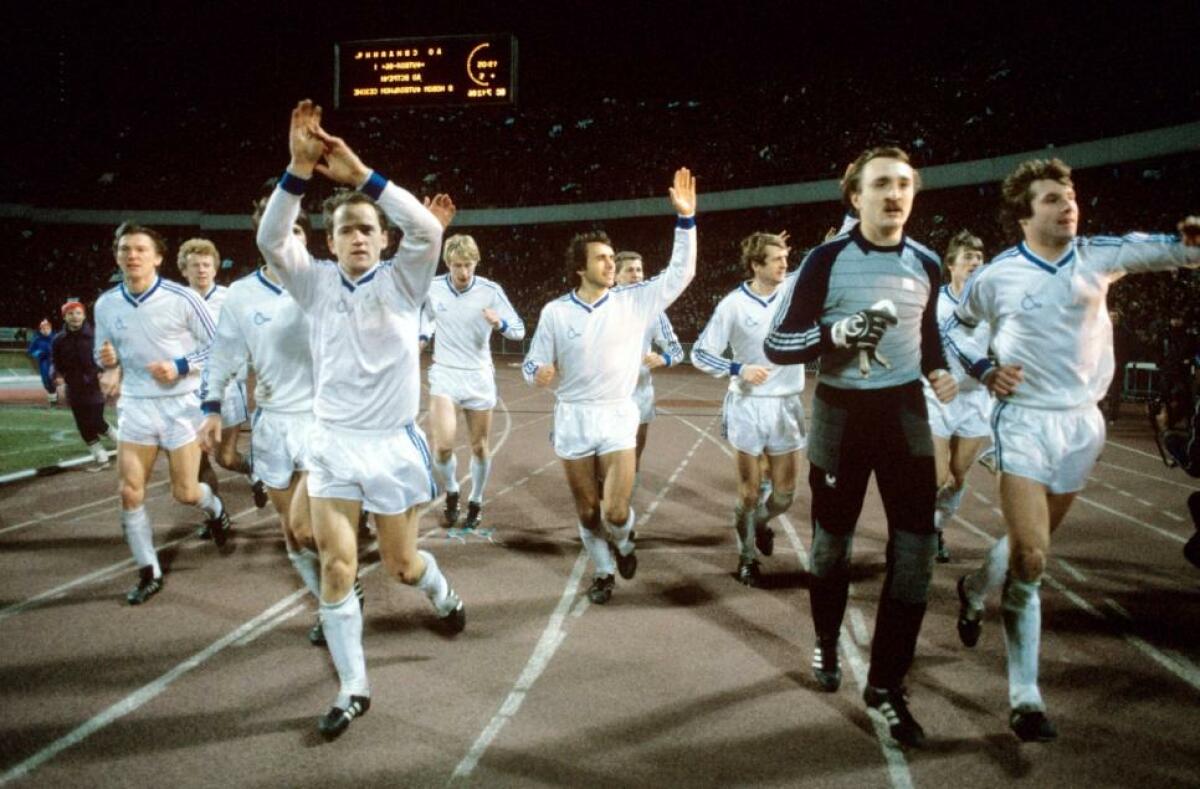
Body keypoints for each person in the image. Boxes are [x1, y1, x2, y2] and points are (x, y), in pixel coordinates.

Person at [947, 158, 1200, 743]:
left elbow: (1172, 252)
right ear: (1023, 214)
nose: (1068, 207)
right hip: (1024, 422)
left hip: (1083, 426)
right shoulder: (997, 276)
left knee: (1028, 544)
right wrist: (983, 369)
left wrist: (1191, 244)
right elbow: (956, 329)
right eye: (1052, 200)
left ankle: (974, 587)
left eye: (1071, 197)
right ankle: (1025, 698)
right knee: (1033, 559)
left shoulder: (1097, 256)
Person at [257, 99, 463, 740]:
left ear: (382, 237)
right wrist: (297, 172)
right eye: (345, 229)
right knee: (337, 566)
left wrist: (364, 178)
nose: (356, 237)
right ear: (329, 241)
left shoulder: (405, 281)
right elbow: (269, 240)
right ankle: (354, 688)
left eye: (366, 228)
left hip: (392, 446)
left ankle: (441, 592)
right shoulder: (313, 283)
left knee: (403, 566)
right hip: (334, 446)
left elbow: (427, 231)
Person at [764, 146, 956, 748]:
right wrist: (836, 333)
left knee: (917, 552)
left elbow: (925, 331)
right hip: (841, 415)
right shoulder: (825, 260)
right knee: (830, 548)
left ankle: (886, 685)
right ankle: (826, 639)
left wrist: (938, 368)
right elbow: (777, 343)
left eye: (903, 184)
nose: (894, 194)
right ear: (856, 197)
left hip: (904, 414)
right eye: (881, 184)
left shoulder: (928, 262)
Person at [522, 168, 697, 605]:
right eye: (602, 258)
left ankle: (624, 540)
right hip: (573, 416)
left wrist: (686, 221)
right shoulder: (555, 312)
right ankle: (603, 571)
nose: (611, 263)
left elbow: (680, 274)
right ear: (580, 268)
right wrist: (537, 373)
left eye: (612, 257)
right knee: (587, 511)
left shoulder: (635, 301)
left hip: (619, 413)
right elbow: (532, 362)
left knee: (615, 511)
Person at [198, 200, 359, 646]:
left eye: (297, 233)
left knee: (309, 529)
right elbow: (224, 354)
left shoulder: (330, 282)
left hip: (322, 420)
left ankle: (342, 594)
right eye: (279, 233)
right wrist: (211, 407)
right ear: (264, 239)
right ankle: (333, 599)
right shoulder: (240, 295)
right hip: (271, 424)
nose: (289, 242)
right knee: (292, 535)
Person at [94, 222, 232, 606]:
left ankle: (216, 509)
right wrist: (108, 363)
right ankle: (148, 571)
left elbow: (221, 345)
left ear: (157, 258)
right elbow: (102, 353)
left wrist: (180, 365)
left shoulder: (182, 298)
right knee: (128, 491)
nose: (132, 255)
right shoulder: (106, 304)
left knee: (185, 492)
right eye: (125, 249)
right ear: (117, 256)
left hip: (181, 405)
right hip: (136, 405)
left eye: (140, 249)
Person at [692, 232, 805, 587]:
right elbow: (700, 352)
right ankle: (746, 557)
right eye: (777, 259)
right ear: (756, 265)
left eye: (786, 258)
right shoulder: (732, 305)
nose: (785, 264)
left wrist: (846, 220)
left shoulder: (792, 289)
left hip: (786, 403)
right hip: (747, 405)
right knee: (750, 493)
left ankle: (759, 523)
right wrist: (738, 368)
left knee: (784, 496)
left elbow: (822, 260)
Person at [421, 233, 525, 532]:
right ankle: (453, 491)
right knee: (442, 447)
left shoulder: (491, 291)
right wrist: (420, 337)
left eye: (468, 265)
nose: (464, 272)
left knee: (479, 447)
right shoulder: (432, 288)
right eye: (457, 265)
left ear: (476, 263)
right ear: (447, 264)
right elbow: (423, 320)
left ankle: (476, 500)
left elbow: (519, 330)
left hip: (478, 376)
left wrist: (499, 323)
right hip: (445, 373)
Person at [177, 238, 263, 513]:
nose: (201, 270)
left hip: (227, 387)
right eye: (195, 265)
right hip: (188, 389)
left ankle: (255, 471)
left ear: (215, 268)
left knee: (225, 458)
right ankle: (215, 514)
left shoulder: (231, 298)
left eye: (206, 264)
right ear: (184, 270)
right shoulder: (175, 301)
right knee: (198, 460)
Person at [927, 230, 992, 562]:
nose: (975, 262)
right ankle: (916, 532)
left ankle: (936, 529)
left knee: (958, 477)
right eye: (968, 257)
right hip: (937, 395)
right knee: (939, 476)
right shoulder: (934, 302)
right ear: (951, 264)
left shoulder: (991, 304)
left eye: (979, 257)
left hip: (975, 398)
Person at [614, 250, 684, 484]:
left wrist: (663, 359)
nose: (636, 275)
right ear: (616, 276)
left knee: (635, 447)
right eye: (629, 270)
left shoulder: (654, 311)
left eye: (639, 270)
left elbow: (676, 350)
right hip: (607, 392)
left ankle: (628, 484)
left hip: (640, 392)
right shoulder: (602, 306)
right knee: (608, 449)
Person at [51, 300, 113, 469]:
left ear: (84, 315)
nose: (75, 317)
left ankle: (124, 445)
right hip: (74, 387)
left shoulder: (96, 336)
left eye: (78, 313)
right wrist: (59, 380)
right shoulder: (58, 340)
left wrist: (105, 372)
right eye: (70, 314)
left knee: (96, 421)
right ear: (64, 317)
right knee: (83, 425)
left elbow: (107, 358)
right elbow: (56, 364)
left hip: (94, 385)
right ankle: (102, 459)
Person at [27, 319, 57, 405]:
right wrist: (38, 353)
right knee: (46, 381)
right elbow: (31, 351)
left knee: (54, 380)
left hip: (55, 362)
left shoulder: (56, 338)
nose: (45, 330)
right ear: (40, 330)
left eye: (47, 328)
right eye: (43, 329)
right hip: (44, 361)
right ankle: (52, 397)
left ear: (50, 329)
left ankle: (54, 400)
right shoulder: (37, 339)